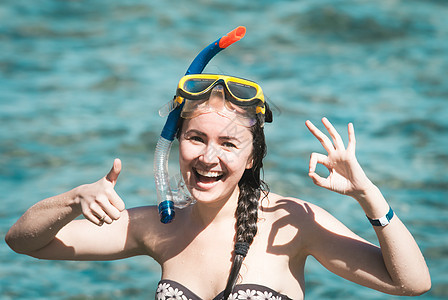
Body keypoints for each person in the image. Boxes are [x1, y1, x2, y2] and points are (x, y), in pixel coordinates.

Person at [6, 72, 431, 300]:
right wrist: (73, 199)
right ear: (176, 146)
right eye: (196, 139)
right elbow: (25, 242)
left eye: (228, 143)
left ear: (252, 158)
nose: (209, 158)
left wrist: (368, 195)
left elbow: (412, 283)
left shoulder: (293, 223)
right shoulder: (159, 226)